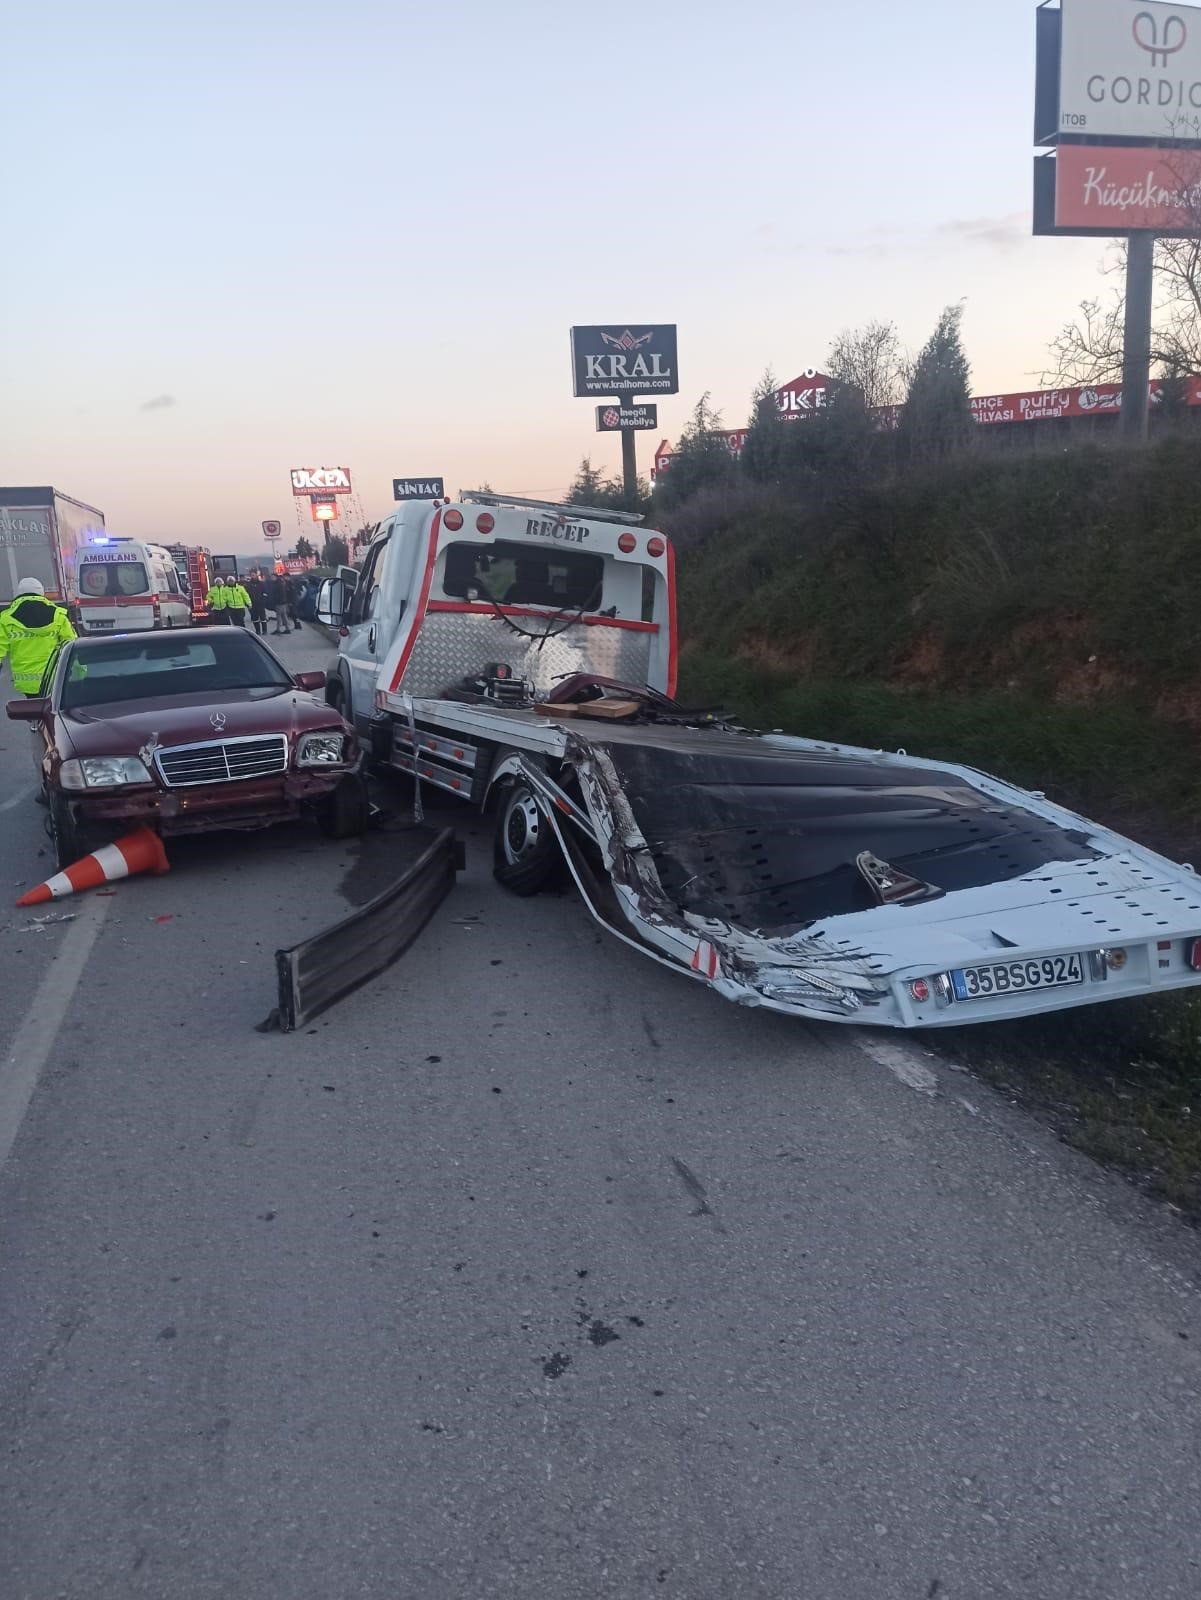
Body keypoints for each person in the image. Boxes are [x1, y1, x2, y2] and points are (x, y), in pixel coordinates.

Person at [0, 578, 77, 696]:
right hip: (54, 679)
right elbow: (72, 645)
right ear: (42, 593)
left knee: (34, 709)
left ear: (19, 594)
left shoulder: (6, 618)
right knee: (54, 710)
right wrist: (79, 674)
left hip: (26, 683)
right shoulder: (58, 615)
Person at [266, 568, 290, 635]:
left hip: (279, 602)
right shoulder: (280, 582)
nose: (271, 578)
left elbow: (280, 594)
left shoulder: (278, 584)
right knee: (284, 615)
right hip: (282, 602)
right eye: (271, 577)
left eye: (272, 577)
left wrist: (276, 600)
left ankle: (278, 629)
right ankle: (287, 629)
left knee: (279, 616)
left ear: (275, 577)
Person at [244, 570, 269, 636]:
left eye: (254, 575)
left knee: (263, 618)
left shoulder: (261, 583)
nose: (253, 576)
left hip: (260, 604)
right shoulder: (248, 584)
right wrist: (247, 604)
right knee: (255, 618)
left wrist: (264, 602)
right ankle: (257, 631)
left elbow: (265, 593)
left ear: (256, 575)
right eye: (252, 575)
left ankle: (264, 631)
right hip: (252, 604)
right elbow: (246, 594)